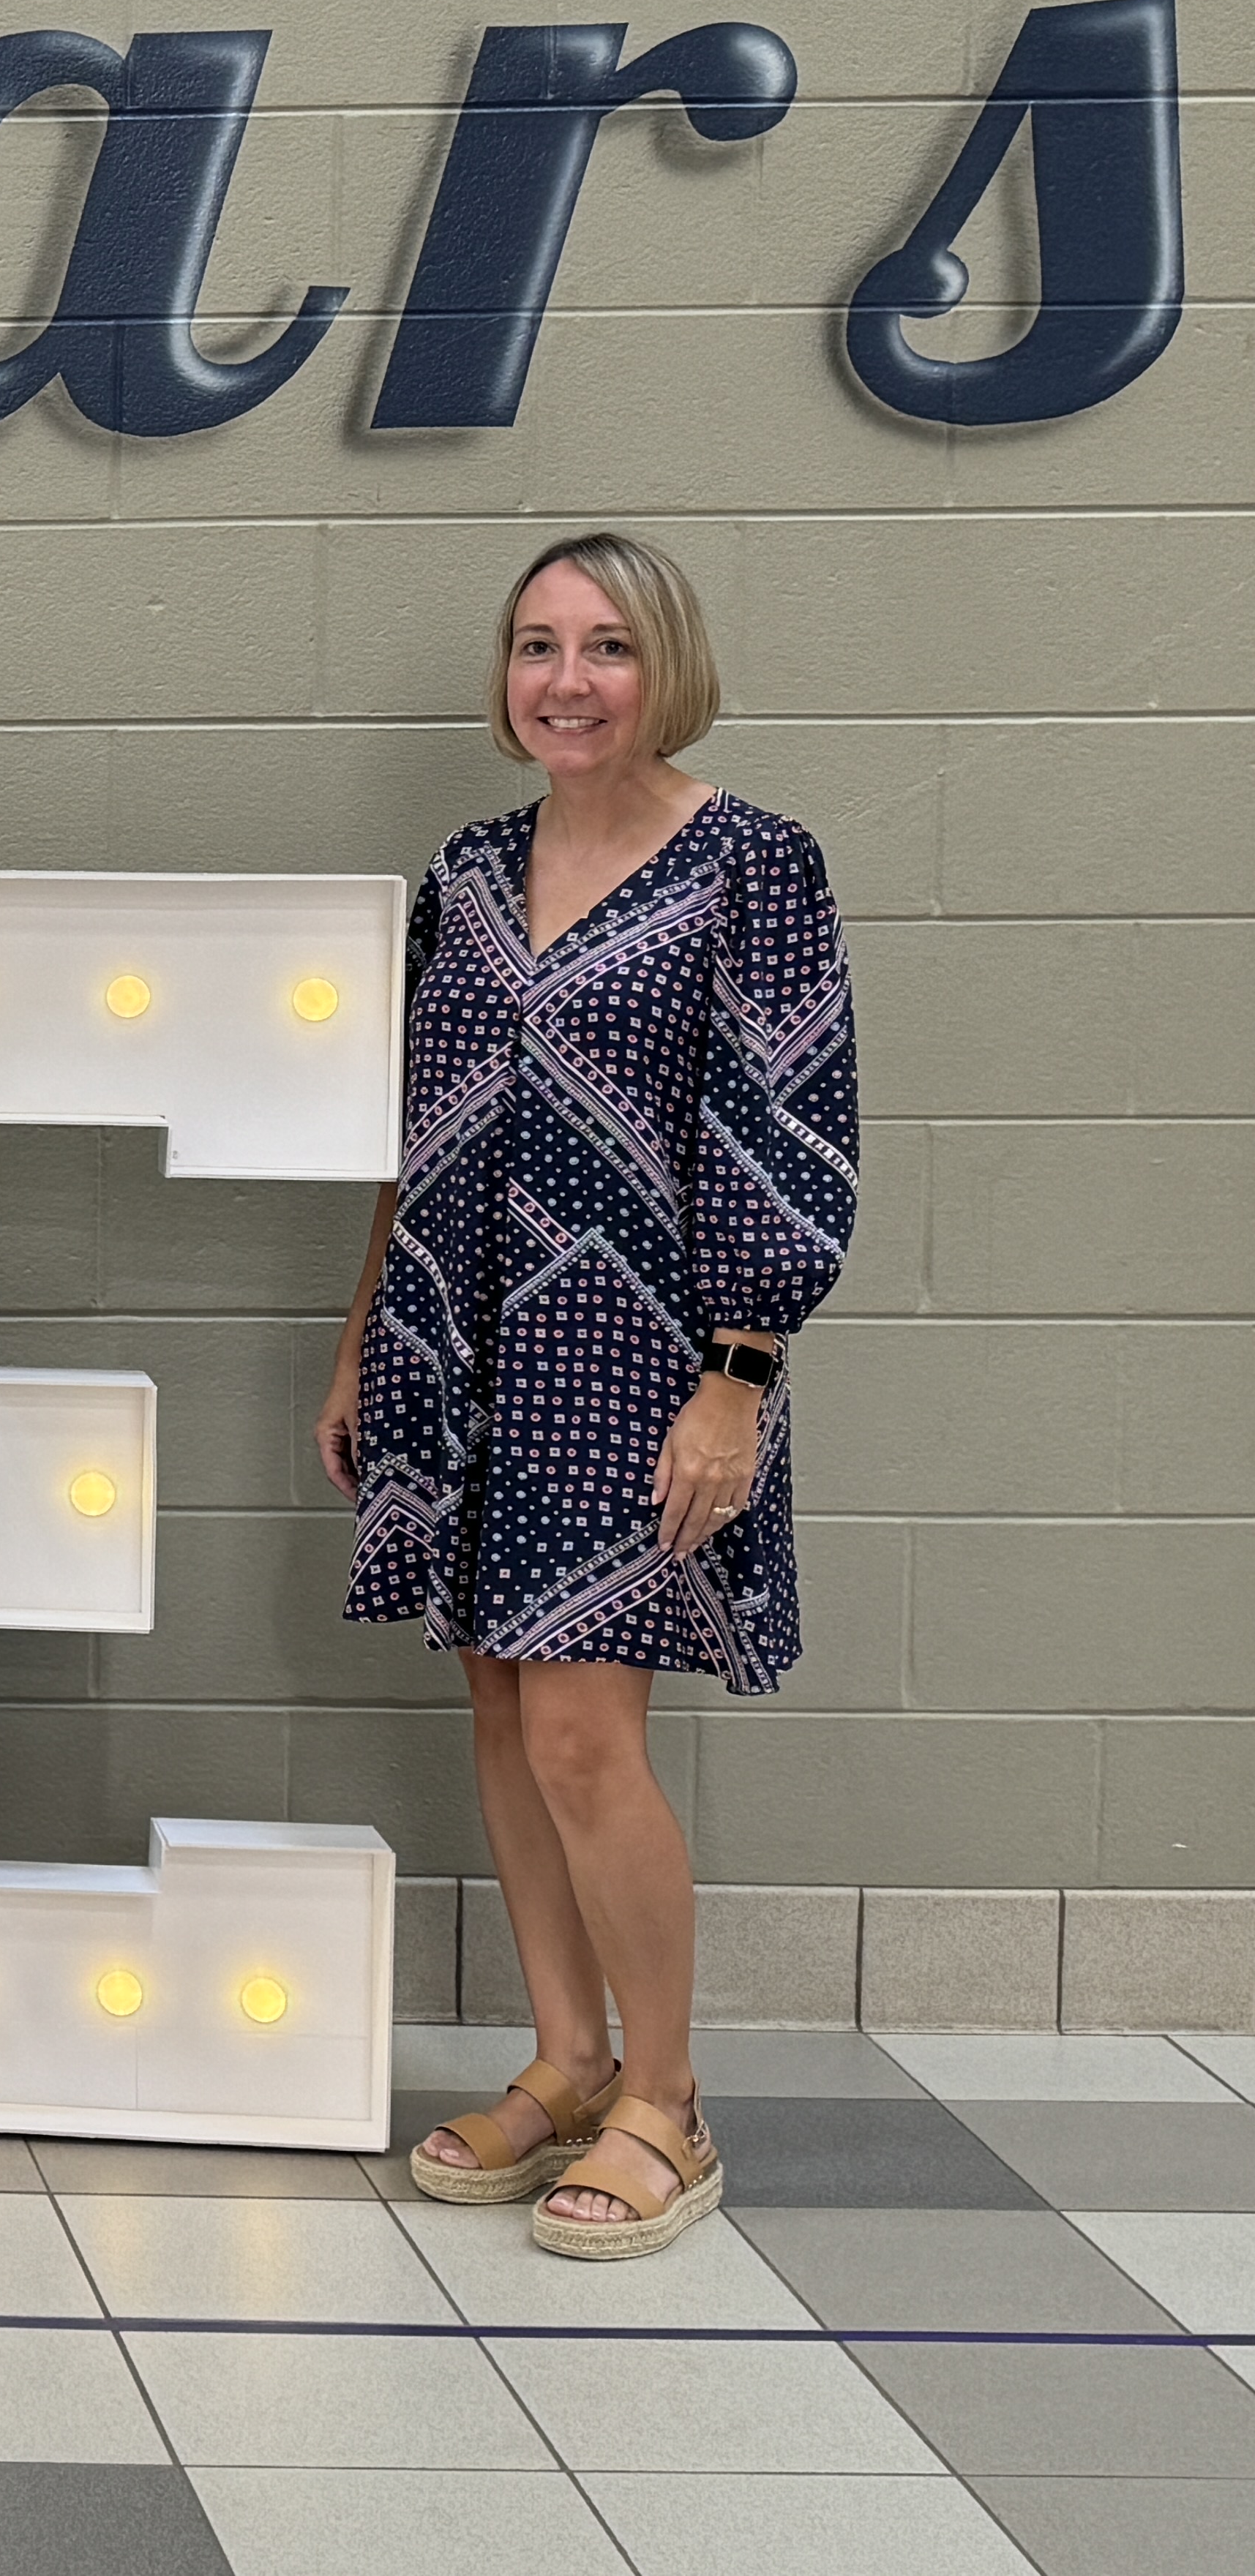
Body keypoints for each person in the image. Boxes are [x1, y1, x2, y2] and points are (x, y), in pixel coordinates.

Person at [318, 530, 855, 2261]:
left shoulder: (755, 870)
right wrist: (356, 1341)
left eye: (607, 647)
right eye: (538, 645)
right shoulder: (465, 875)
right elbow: (414, 1132)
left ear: (665, 669)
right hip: (457, 1341)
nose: (566, 680)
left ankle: (669, 2100)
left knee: (582, 1735)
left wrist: (740, 1379)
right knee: (497, 1713)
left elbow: (792, 1126)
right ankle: (563, 2057)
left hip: (640, 1368)